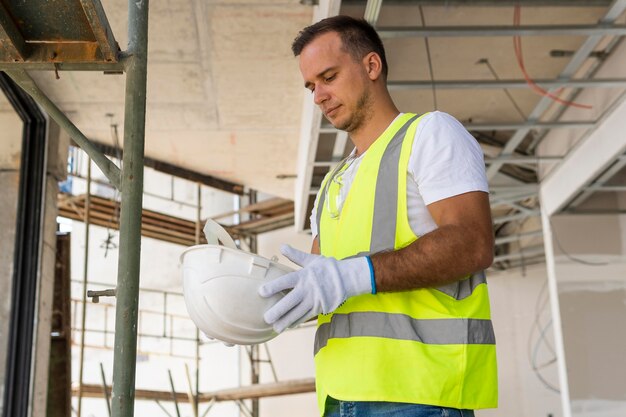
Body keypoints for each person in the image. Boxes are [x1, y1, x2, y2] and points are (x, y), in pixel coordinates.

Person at [258, 15, 497, 417]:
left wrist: (353, 275)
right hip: (338, 397)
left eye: (328, 77)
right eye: (311, 86)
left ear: (371, 66)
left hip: (418, 395)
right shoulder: (332, 182)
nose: (318, 95)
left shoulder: (429, 134)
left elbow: (473, 242)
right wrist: (247, 314)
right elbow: (318, 289)